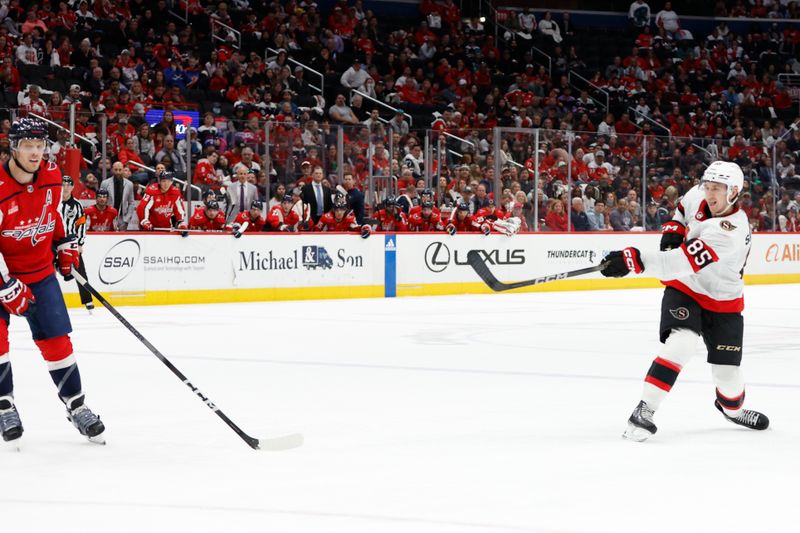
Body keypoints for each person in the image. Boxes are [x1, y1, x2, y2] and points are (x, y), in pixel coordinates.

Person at [600, 161, 768, 441]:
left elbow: (679, 263)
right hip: (686, 289)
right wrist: (672, 234)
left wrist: (633, 261)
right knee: (682, 343)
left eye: (719, 189)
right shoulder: (698, 195)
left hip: (723, 300)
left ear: (735, 192)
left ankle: (733, 410)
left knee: (727, 377)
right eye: (709, 186)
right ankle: (645, 410)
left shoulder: (729, 232)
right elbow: (680, 212)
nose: (711, 194)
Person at [0, 118, 105, 444]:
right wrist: (4, 285)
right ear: (14, 148)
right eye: (28, 146)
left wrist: (64, 245)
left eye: (40, 146)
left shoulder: (51, 177)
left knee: (57, 342)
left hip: (40, 274)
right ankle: (5, 407)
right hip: (4, 274)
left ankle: (76, 405)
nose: (35, 152)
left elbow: (53, 215)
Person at [58, 176, 93, 311]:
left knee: (80, 271)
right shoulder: (54, 202)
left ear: (72, 187)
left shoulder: (77, 205)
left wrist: (80, 243)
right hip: (53, 242)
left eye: (68, 185)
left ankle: (87, 300)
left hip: (70, 242)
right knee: (46, 271)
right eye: (63, 184)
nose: (65, 187)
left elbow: (81, 225)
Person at [99, 161, 136, 231]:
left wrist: (127, 219)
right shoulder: (105, 183)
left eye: (120, 170)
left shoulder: (129, 184)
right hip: (108, 217)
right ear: (112, 170)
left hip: (123, 218)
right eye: (116, 170)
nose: (118, 172)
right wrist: (103, 216)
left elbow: (132, 202)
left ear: (123, 170)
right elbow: (100, 201)